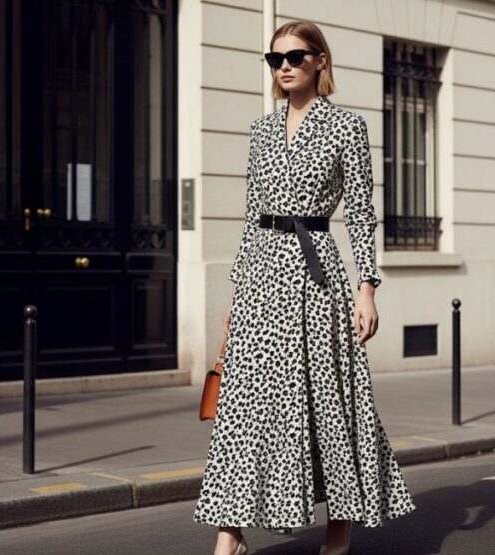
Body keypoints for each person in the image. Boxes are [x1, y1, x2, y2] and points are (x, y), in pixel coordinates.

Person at [192, 20, 416, 555]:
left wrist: (367, 288)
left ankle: (338, 526)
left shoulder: (346, 128)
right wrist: (236, 295)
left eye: (294, 56)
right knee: (245, 406)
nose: (284, 66)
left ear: (320, 60)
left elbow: (361, 214)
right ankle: (231, 532)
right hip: (262, 276)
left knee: (326, 403)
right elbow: (252, 218)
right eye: (275, 60)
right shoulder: (261, 130)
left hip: (316, 278)